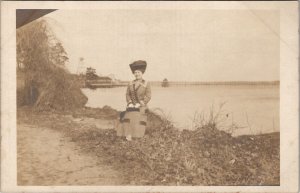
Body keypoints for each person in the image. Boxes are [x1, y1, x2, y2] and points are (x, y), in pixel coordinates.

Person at [116, 60, 151, 141]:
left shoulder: (146, 83)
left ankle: (137, 135)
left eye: (138, 72)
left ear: (142, 73)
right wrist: (130, 102)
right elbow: (127, 94)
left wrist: (141, 103)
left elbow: (148, 96)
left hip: (142, 106)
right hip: (131, 106)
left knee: (137, 118)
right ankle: (127, 135)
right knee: (127, 118)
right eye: (135, 72)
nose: (137, 74)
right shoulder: (130, 83)